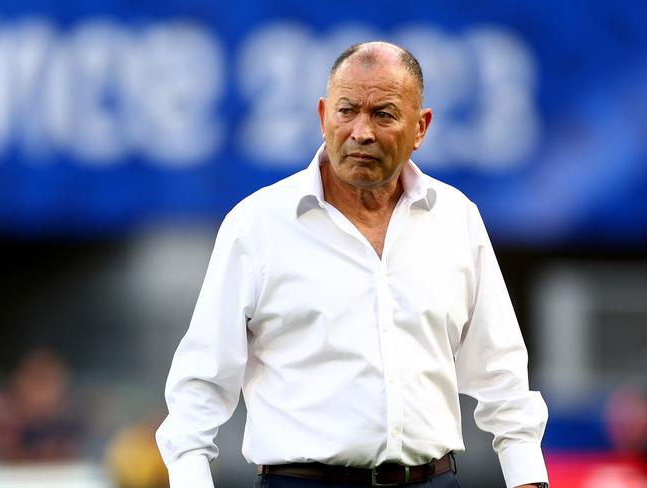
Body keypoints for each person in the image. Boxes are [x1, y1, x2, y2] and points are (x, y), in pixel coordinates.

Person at [156, 41, 549, 488]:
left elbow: (501, 370)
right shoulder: (256, 226)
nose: (361, 131)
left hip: (433, 480)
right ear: (324, 115)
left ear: (420, 128)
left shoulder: (456, 219)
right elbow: (200, 382)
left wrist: (527, 478)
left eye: (383, 114)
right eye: (347, 111)